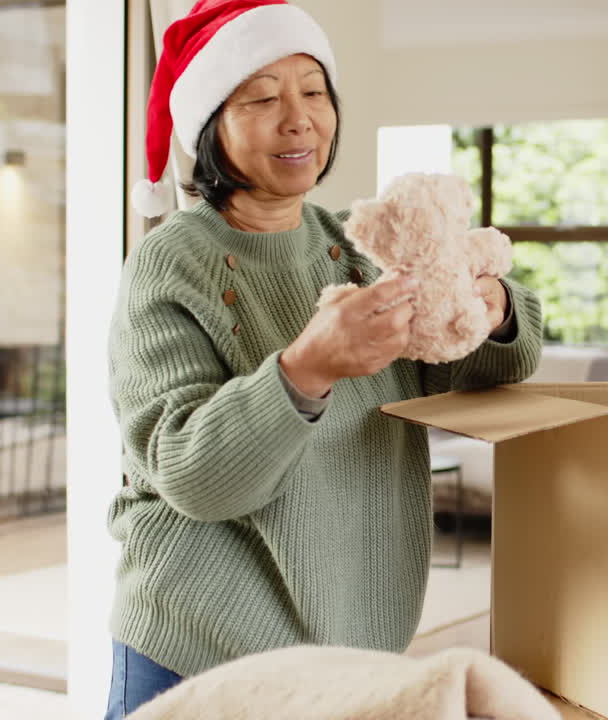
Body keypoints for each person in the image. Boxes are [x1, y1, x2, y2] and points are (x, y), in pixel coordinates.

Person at [104, 1, 542, 717]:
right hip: (199, 646)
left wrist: (494, 311)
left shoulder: (357, 245)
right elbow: (188, 473)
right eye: (261, 98)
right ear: (212, 126)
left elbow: (476, 364)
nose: (298, 117)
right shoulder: (168, 264)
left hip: (346, 648)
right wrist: (305, 370)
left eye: (313, 90)